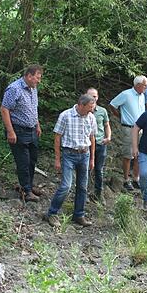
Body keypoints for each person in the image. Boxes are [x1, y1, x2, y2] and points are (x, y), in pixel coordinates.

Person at [44, 94, 97, 227]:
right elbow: (57, 137)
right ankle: (52, 213)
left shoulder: (91, 117)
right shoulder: (65, 115)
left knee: (82, 187)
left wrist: (92, 158)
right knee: (66, 186)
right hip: (69, 154)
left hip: (85, 154)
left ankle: (79, 215)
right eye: (90, 107)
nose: (92, 109)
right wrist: (57, 159)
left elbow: (92, 138)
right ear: (81, 105)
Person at [1, 64, 43, 202]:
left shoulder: (33, 88)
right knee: (23, 161)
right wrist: (10, 131)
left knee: (32, 160)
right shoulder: (14, 89)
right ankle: (26, 191)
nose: (38, 81)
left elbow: (33, 108)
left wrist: (37, 124)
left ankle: (29, 186)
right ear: (29, 76)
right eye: (37, 78)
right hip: (18, 130)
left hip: (32, 130)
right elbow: (4, 109)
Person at [108, 75, 147, 192]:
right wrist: (120, 116)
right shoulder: (126, 94)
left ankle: (136, 178)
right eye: (145, 85)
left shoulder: (142, 95)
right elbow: (112, 104)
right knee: (128, 154)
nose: (146, 87)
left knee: (139, 155)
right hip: (129, 128)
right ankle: (126, 179)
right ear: (138, 85)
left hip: (141, 129)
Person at [87, 87, 111, 202]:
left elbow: (106, 125)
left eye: (95, 96)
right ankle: (84, 193)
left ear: (98, 97)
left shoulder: (102, 111)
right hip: (86, 145)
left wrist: (108, 137)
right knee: (85, 169)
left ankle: (98, 194)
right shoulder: (83, 109)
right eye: (90, 96)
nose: (93, 98)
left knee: (99, 169)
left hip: (100, 143)